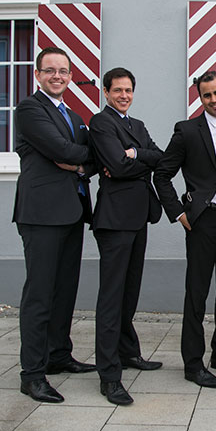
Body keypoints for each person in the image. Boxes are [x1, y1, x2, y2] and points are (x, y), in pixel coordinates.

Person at [154, 71, 216, 389]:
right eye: (207, 95)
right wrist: (178, 213)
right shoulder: (187, 131)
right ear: (200, 98)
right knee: (197, 293)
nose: (213, 100)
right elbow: (162, 174)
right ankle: (193, 364)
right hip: (204, 220)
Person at [12, 46, 96, 403]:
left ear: (70, 75)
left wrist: (77, 162)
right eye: (50, 70)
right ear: (38, 75)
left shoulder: (74, 116)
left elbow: (93, 157)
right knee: (40, 295)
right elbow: (60, 149)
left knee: (64, 291)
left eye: (63, 70)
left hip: (72, 211)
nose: (57, 76)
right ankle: (32, 374)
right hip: (41, 214)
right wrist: (75, 157)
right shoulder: (30, 109)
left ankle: (58, 355)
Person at [89, 67, 164, 405]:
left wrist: (134, 154)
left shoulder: (138, 125)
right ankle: (109, 375)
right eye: (117, 90)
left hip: (138, 216)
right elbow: (117, 167)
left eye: (128, 90)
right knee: (111, 297)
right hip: (114, 219)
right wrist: (131, 160)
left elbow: (159, 157)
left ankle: (128, 352)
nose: (123, 95)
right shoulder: (101, 122)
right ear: (106, 92)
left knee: (129, 292)